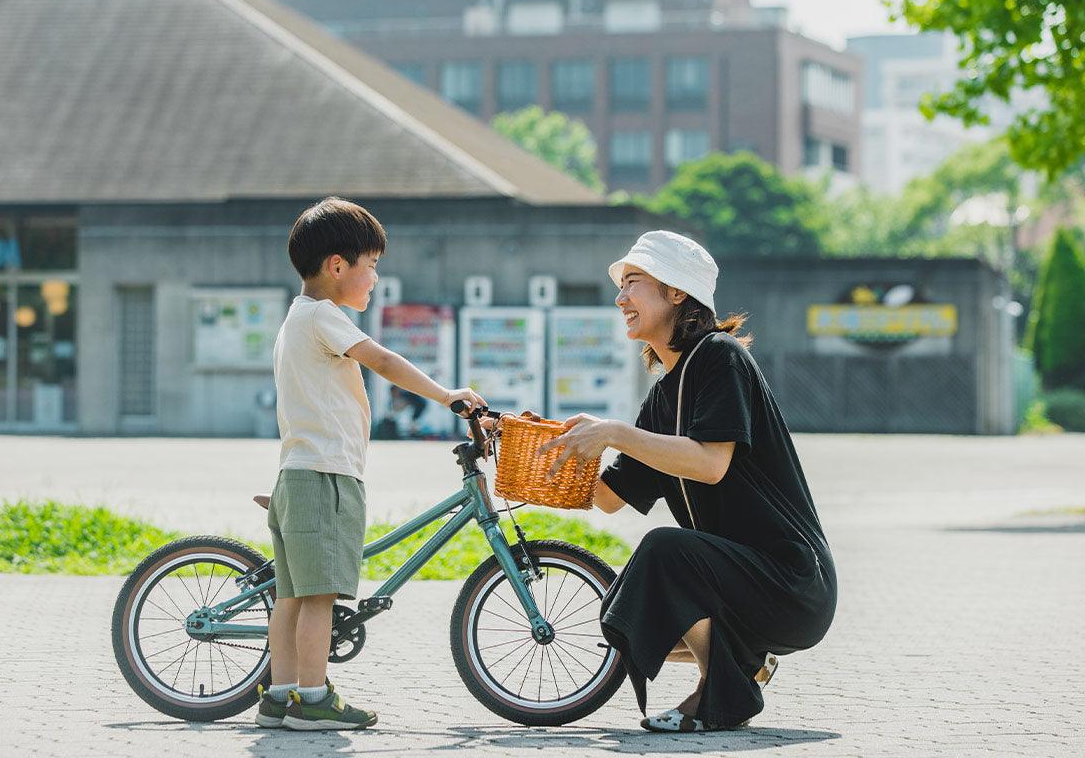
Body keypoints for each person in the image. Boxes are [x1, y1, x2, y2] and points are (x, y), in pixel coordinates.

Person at [538, 230, 837, 733]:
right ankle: (746, 666)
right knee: (624, 609)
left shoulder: (720, 357)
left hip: (792, 583)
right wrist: (531, 450)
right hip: (737, 582)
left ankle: (722, 694)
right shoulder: (662, 398)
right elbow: (607, 498)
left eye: (633, 282)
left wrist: (614, 432)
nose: (620, 298)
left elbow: (709, 463)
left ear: (677, 292)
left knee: (664, 551)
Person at [256, 197, 486, 731]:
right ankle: (313, 701)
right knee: (319, 597)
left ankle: (280, 696)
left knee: (290, 596)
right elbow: (381, 360)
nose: (377, 277)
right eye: (372, 266)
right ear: (338, 266)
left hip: (298, 471)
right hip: (326, 475)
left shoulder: (296, 319)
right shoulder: (323, 316)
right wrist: (446, 395)